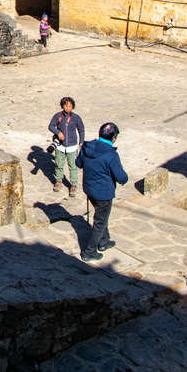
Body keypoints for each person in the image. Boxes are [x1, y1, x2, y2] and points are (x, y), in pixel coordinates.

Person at [75, 122, 128, 262]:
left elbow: (78, 163)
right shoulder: (111, 155)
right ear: (114, 138)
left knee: (101, 216)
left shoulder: (86, 147)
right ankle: (89, 252)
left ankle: (104, 241)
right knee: (99, 221)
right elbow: (121, 177)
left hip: (89, 189)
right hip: (103, 193)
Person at [48, 97, 85, 197]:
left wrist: (81, 142)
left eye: (70, 106)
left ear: (72, 106)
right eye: (66, 106)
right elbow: (51, 126)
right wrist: (58, 132)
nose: (68, 108)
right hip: (60, 146)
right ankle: (58, 181)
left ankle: (73, 185)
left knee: (73, 166)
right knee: (59, 164)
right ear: (62, 106)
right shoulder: (57, 116)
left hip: (72, 146)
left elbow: (81, 130)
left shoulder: (76, 117)